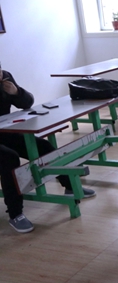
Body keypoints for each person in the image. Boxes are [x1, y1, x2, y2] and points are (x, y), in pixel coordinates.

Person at [0, 63, 95, 233]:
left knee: (44, 147)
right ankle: (15, 214)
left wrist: (16, 92)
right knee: (9, 158)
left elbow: (27, 103)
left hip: (5, 131)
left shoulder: (5, 76)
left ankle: (70, 186)